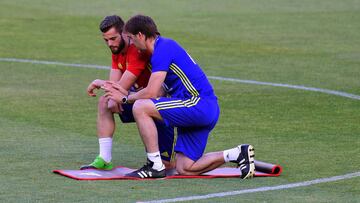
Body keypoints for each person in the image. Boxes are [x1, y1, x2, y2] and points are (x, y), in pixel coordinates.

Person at [104, 14, 255, 179]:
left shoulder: (162, 49)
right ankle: (236, 154)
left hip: (197, 104)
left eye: (131, 39)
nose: (131, 44)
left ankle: (154, 165)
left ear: (140, 35)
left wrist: (126, 99)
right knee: (185, 167)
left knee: (141, 107)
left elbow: (152, 93)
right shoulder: (161, 49)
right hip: (203, 108)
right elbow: (160, 91)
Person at [81, 15, 175, 171]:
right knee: (106, 101)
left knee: (171, 167)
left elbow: (121, 86)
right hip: (141, 102)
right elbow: (114, 88)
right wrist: (112, 94)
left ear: (124, 33)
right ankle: (104, 158)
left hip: (161, 106)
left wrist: (100, 83)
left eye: (113, 38)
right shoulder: (117, 49)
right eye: (106, 40)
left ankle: (229, 155)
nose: (110, 44)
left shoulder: (137, 51)